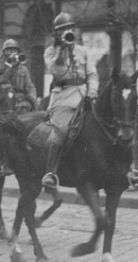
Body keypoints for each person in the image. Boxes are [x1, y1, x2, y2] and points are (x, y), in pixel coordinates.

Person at [41, 12, 99, 190]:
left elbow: (91, 74)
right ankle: (51, 173)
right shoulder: (51, 51)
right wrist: (60, 49)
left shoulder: (83, 51)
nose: (67, 32)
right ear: (56, 34)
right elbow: (55, 70)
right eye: (62, 30)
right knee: (62, 131)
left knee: (101, 125)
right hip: (63, 99)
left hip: (83, 97)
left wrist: (93, 92)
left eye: (69, 28)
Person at [0, 39, 37, 114]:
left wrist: (32, 97)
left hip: (20, 99)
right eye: (9, 50)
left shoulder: (23, 69)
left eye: (14, 51)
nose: (12, 53)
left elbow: (29, 86)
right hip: (3, 98)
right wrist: (10, 66)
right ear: (4, 52)